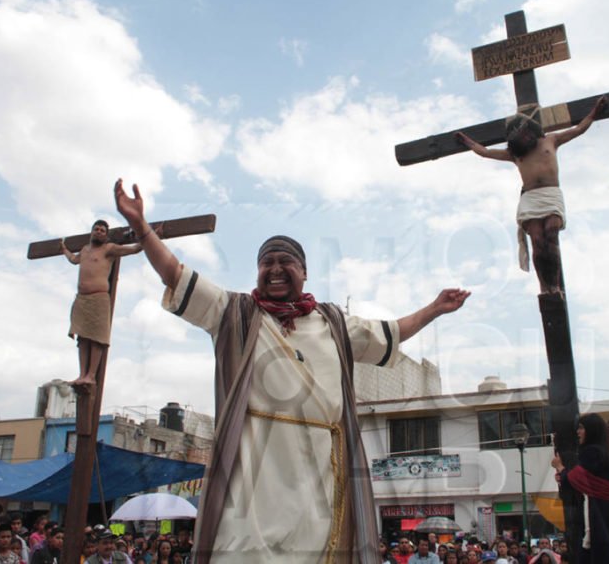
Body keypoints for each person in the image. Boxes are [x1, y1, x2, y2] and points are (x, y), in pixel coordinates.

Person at [114, 177, 471, 564]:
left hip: (321, 467)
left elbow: (391, 333)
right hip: (257, 464)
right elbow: (176, 276)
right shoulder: (236, 314)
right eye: (267, 262)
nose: (276, 269)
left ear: (304, 272)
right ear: (257, 273)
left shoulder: (334, 322)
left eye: (287, 262)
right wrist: (143, 229)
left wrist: (433, 309)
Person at [455, 96, 608, 295]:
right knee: (537, 240)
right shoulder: (515, 153)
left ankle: (554, 284)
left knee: (551, 235)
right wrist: (466, 140)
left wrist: (594, 113)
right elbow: (485, 152)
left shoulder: (551, 140)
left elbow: (578, 129)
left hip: (550, 194)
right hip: (530, 198)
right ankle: (545, 286)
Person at [61, 219, 145, 388]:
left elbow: (134, 249)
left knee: (97, 338)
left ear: (106, 235)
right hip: (81, 299)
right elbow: (74, 259)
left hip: (99, 298)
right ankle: (82, 374)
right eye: (96, 229)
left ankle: (91, 375)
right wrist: (63, 249)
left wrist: (149, 237)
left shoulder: (109, 249)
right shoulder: (85, 250)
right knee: (83, 338)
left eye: (102, 230)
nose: (98, 232)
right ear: (92, 231)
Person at [551, 413, 609, 564]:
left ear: (591, 430)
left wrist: (559, 467)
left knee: (600, 549)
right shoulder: (607, 450)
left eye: (581, 428)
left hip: (599, 509)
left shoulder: (592, 451)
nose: (578, 432)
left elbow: (577, 478)